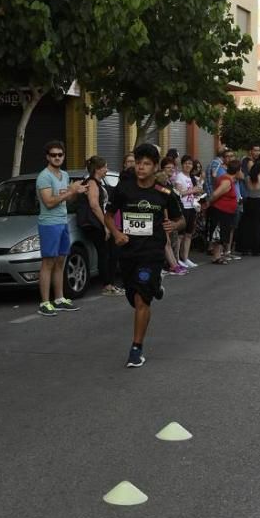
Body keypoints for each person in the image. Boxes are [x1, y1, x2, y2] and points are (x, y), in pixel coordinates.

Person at [105, 143, 184, 368]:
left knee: (141, 298)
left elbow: (182, 220)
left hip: (151, 253)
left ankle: (136, 348)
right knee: (133, 296)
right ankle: (155, 285)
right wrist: (116, 233)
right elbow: (108, 216)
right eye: (138, 163)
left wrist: (173, 225)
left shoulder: (164, 193)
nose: (141, 167)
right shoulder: (123, 189)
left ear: (155, 166)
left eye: (146, 164)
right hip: (128, 252)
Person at [36, 140, 87, 316]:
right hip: (49, 223)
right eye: (53, 155)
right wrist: (71, 191)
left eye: (60, 155)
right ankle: (44, 302)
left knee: (60, 261)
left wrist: (77, 191)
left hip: (62, 221)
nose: (57, 158)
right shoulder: (44, 176)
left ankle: (59, 299)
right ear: (47, 157)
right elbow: (49, 202)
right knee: (48, 262)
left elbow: (67, 199)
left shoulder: (64, 175)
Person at [78, 155, 123, 295]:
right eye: (105, 167)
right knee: (105, 253)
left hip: (99, 223)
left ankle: (109, 284)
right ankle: (107, 286)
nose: (106, 169)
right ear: (98, 169)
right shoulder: (92, 183)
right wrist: (106, 225)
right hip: (96, 224)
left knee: (110, 252)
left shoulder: (97, 182)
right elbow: (94, 205)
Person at [236, 161, 260, 256]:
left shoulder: (248, 178)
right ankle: (257, 248)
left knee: (248, 225)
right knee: (259, 226)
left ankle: (245, 247)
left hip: (249, 202)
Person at [207, 159, 241, 264]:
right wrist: (209, 203)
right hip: (220, 211)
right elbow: (214, 194)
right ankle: (216, 256)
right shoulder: (226, 181)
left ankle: (218, 255)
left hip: (225, 211)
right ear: (237, 171)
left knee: (222, 234)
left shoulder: (228, 179)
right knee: (219, 234)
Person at [159, 157, 187, 276]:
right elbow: (164, 200)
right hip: (165, 216)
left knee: (172, 241)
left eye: (172, 167)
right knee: (167, 242)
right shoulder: (160, 184)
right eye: (168, 167)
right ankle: (169, 265)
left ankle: (174, 263)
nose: (171, 170)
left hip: (174, 216)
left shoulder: (170, 183)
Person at [175, 155, 201, 268]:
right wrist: (193, 190)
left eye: (190, 164)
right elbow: (179, 193)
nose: (188, 165)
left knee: (189, 234)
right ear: (182, 164)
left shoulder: (192, 177)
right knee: (180, 235)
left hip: (192, 207)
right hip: (183, 207)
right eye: (186, 163)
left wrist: (198, 192)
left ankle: (185, 258)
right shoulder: (179, 177)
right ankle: (176, 259)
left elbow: (195, 192)